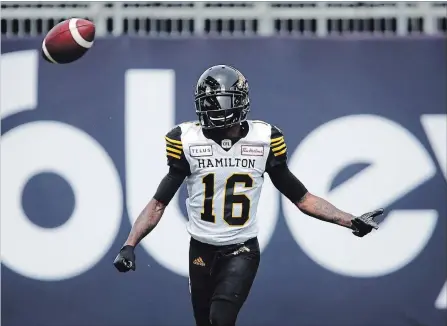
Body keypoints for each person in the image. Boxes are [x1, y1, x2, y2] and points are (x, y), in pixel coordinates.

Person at [113, 65, 383, 326]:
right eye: (208, 102)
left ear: (239, 101)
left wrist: (349, 220)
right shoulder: (188, 140)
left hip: (241, 249)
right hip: (201, 248)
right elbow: (159, 203)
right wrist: (130, 244)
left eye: (219, 100)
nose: (213, 108)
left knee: (221, 319)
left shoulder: (263, 139)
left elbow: (302, 198)